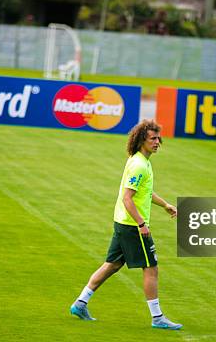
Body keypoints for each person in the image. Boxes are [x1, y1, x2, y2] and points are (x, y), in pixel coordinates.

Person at [70, 120, 182, 330]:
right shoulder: (140, 165)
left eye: (158, 138)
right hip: (132, 225)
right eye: (153, 139)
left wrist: (164, 204)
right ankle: (157, 317)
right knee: (151, 268)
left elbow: (144, 192)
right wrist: (141, 224)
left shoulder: (139, 160)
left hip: (122, 222)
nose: (157, 142)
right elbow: (127, 198)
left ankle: (80, 303)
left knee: (112, 264)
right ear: (142, 141)